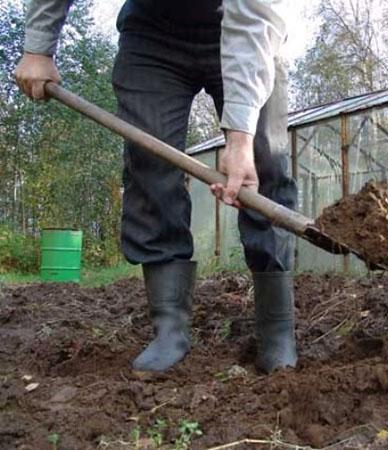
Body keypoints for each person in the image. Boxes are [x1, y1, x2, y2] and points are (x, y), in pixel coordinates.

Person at [14, 0, 298, 374]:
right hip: (152, 35)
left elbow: (254, 18)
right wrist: (38, 46)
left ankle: (277, 328)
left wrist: (240, 138)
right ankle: (169, 330)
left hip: (243, 26)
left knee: (266, 164)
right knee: (151, 166)